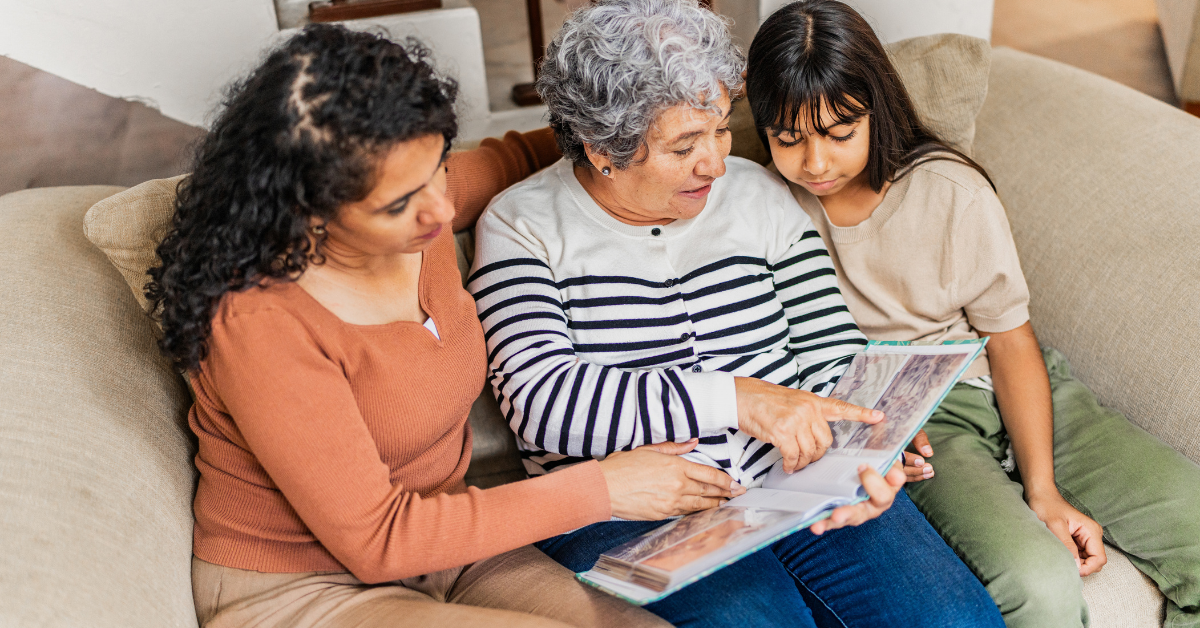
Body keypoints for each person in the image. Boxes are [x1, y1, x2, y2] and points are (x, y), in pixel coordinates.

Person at [144, 23, 740, 628]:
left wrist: (654, 128)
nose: (441, 208)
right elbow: (380, 539)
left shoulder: (414, 202)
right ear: (309, 213)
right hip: (307, 585)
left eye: (435, 167)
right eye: (399, 202)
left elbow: (531, 152)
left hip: (459, 546)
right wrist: (606, 488)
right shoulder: (259, 321)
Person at [468, 1, 1005, 627]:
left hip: (797, 481)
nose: (717, 163)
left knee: (956, 621)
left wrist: (866, 451)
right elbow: (544, 404)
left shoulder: (759, 194)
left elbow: (832, 348)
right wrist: (740, 400)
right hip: (631, 508)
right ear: (601, 147)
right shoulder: (522, 225)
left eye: (721, 128)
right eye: (685, 145)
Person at [744, 2, 1200, 626]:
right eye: (788, 139)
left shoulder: (949, 189)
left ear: (876, 109)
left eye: (840, 133)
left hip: (1010, 378)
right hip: (920, 423)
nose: (815, 163)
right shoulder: (760, 209)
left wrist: (1043, 490)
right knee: (1038, 584)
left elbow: (1011, 342)